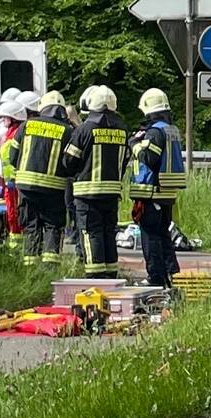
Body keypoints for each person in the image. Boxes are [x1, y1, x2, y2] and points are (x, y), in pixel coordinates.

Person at [130, 88, 188, 287]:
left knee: (151, 237)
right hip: (166, 192)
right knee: (163, 235)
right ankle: (171, 274)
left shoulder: (154, 132)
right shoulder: (171, 129)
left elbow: (150, 158)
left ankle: (155, 277)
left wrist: (135, 144)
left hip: (151, 192)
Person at [68, 86, 127, 276]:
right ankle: (111, 274)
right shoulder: (123, 130)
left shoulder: (84, 130)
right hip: (111, 193)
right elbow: (124, 161)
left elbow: (69, 161)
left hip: (87, 194)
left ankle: (94, 275)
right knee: (109, 232)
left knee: (90, 232)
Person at [13, 91, 76, 266]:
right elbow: (70, 161)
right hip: (54, 189)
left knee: (31, 225)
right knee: (52, 225)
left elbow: (12, 154)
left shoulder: (26, 125)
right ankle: (50, 266)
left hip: (26, 186)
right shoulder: (67, 130)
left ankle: (30, 265)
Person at [0, 91, 31, 252]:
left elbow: (10, 158)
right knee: (12, 212)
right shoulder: (3, 128)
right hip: (5, 178)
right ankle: (15, 240)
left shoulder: (18, 133)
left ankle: (17, 243)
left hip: (15, 180)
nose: (2, 120)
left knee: (16, 212)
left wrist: (10, 179)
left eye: (5, 117)